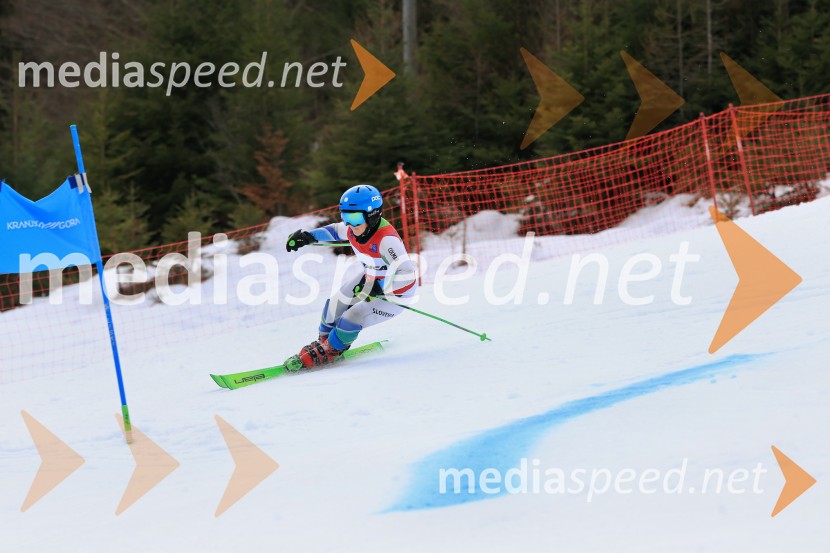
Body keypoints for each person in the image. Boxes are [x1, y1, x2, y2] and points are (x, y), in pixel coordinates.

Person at [284, 184, 417, 370]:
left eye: (354, 218)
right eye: (345, 216)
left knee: (352, 315)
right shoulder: (352, 229)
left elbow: (408, 274)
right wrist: (307, 236)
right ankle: (327, 345)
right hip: (370, 278)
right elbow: (334, 230)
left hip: (396, 294)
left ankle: (330, 351)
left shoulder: (387, 240)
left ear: (372, 215)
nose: (349, 224)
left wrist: (380, 288)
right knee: (334, 305)